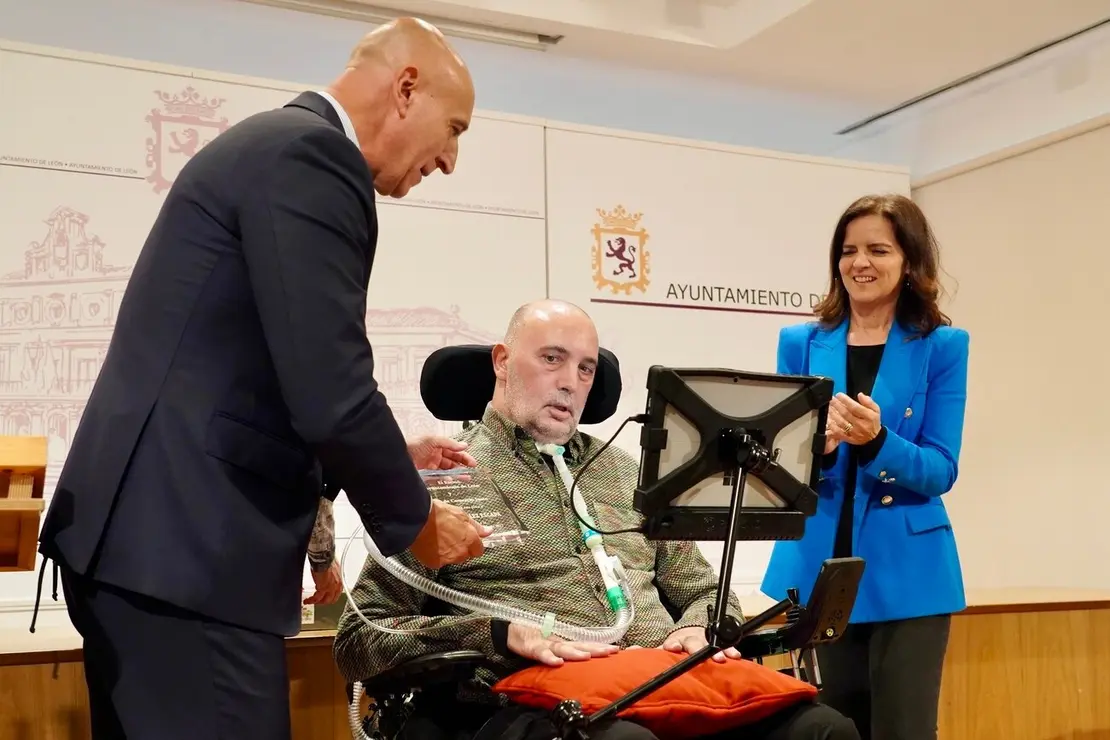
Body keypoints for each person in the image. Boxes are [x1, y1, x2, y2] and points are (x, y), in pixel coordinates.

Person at [34, 17, 491, 740]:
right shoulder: (313, 156)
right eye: (455, 127)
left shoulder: (272, 148)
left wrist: (386, 457)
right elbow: (330, 387)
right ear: (407, 89)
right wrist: (419, 524)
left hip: (155, 552)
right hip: (190, 555)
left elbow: (254, 382)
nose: (452, 159)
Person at [335, 299, 860, 740]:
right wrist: (494, 633)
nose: (570, 382)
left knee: (824, 730)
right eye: (551, 359)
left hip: (661, 683)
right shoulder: (443, 480)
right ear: (501, 360)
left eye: (585, 369)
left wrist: (698, 626)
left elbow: (702, 590)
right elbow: (360, 640)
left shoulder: (626, 474)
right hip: (524, 702)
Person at [761, 194, 970, 740]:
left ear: (910, 262)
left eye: (879, 249)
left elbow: (940, 469)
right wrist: (822, 449)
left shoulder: (942, 346)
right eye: (849, 250)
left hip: (910, 575)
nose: (861, 263)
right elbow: (780, 466)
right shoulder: (799, 343)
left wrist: (878, 441)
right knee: (830, 729)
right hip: (819, 568)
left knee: (905, 729)